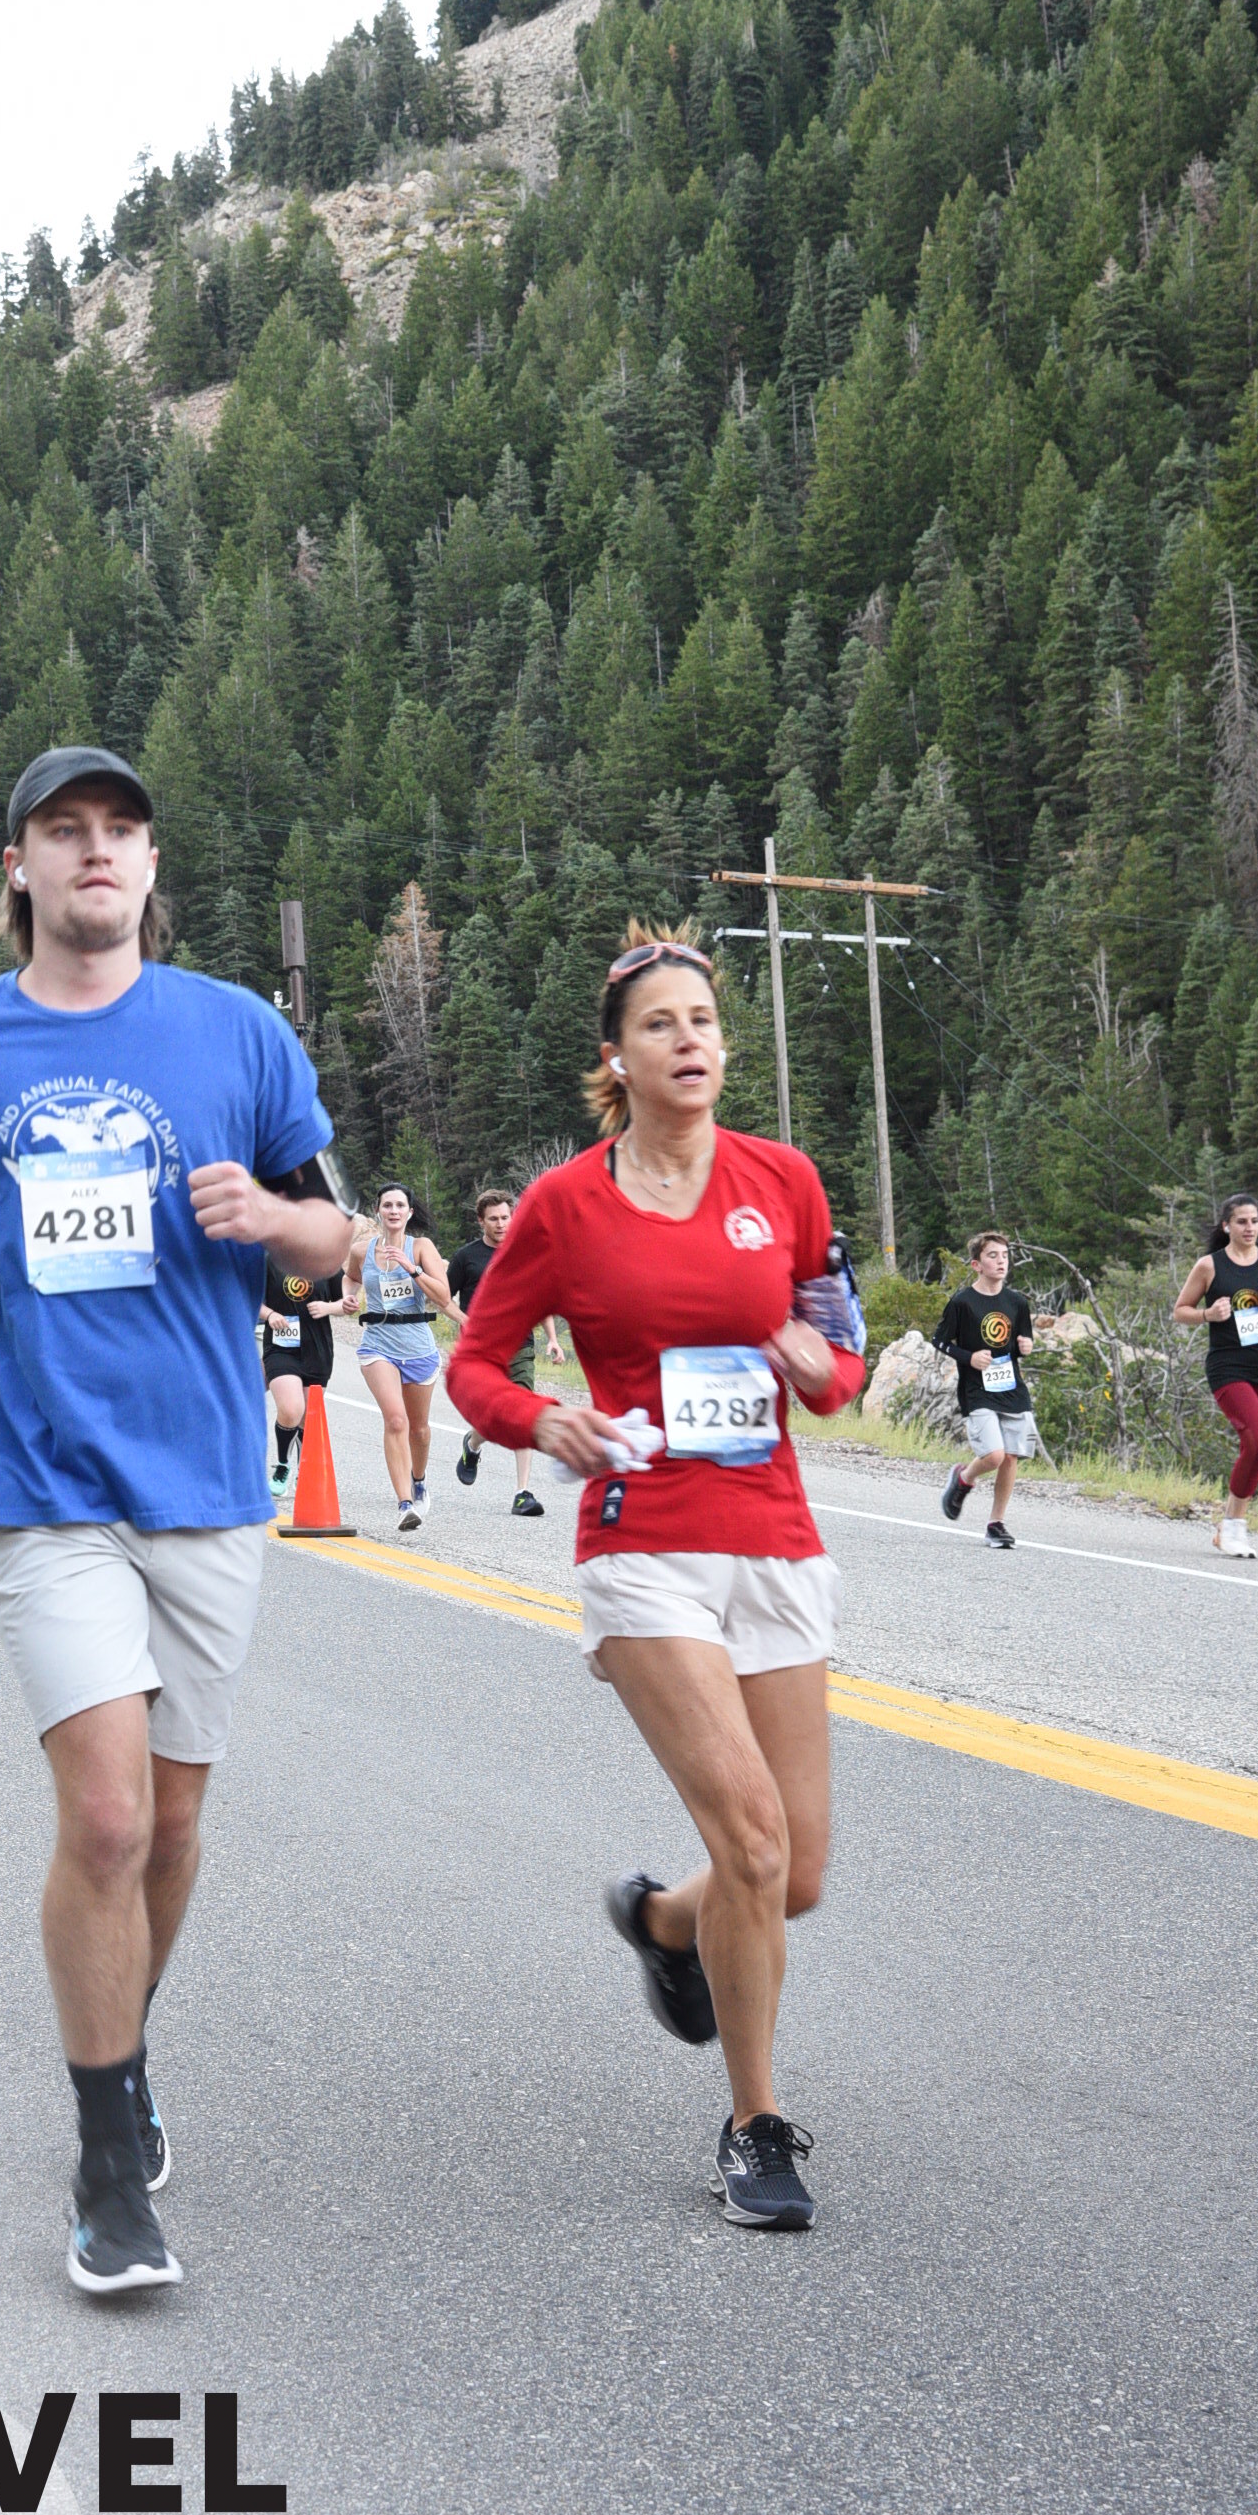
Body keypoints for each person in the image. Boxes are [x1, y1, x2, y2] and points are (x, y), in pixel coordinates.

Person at [0, 743, 352, 2297]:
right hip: (40, 1481)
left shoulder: (238, 1031)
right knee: (112, 1820)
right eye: (65, 831)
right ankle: (104, 2166)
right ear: (19, 865)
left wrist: (275, 1220)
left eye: (122, 831)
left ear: (150, 865)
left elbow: (334, 1237)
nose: (96, 853)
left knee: (176, 1826)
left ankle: (121, 2058)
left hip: (208, 1481)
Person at [450, 924, 868, 2233]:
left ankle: (670, 1926)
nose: (690, 1041)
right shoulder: (564, 1207)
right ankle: (755, 2125)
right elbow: (476, 1365)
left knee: (794, 1874)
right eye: (660, 1025)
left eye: (703, 1020)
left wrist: (826, 1370)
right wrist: (543, 1421)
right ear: (616, 1060)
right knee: (751, 1838)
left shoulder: (783, 1181)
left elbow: (842, 1353)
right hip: (643, 1545)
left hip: (774, 1535)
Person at [1173, 1194, 1258, 1556]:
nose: (1250, 1228)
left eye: (1255, 1221)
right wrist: (1207, 1315)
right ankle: (1235, 1528)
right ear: (1226, 1226)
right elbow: (1180, 1310)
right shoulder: (1209, 1266)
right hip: (1228, 1366)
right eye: (1242, 1222)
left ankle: (1228, 1526)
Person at [445, 1187, 566, 1517]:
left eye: (505, 1218)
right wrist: (466, 1321)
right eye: (493, 1219)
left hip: (520, 1346)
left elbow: (539, 1299)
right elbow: (443, 1297)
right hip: (482, 1352)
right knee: (495, 1418)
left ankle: (522, 1493)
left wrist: (552, 1339)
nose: (500, 1224)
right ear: (481, 1221)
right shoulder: (466, 1257)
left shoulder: (525, 1253)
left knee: (523, 1414)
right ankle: (472, 1444)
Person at [344, 1184, 451, 1530]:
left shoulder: (421, 1247)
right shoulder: (362, 1250)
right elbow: (350, 1278)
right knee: (395, 1421)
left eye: (399, 1205)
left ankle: (418, 1479)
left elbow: (443, 1296)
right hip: (377, 1344)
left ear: (409, 1212)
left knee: (419, 1430)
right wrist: (349, 1297)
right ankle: (405, 1504)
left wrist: (412, 1269)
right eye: (387, 1205)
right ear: (378, 1210)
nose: (393, 1211)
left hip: (418, 1347)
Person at [934, 1231, 1043, 1549]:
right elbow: (940, 1340)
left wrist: (1026, 1347)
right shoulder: (962, 1302)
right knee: (994, 1455)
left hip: (1011, 1388)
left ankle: (996, 1524)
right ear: (976, 1264)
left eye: (1004, 1255)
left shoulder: (1017, 1302)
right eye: (992, 1256)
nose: (1000, 1261)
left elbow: (1019, 1344)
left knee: (1011, 1456)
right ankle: (963, 1479)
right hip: (976, 1389)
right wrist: (969, 1357)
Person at [259, 1259, 342, 1498]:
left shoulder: (326, 1261)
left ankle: (304, 1472)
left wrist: (329, 1308)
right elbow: (250, 1300)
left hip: (317, 1350)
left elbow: (346, 1302)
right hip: (280, 1348)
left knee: (307, 1419)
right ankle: (282, 1466)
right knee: (291, 1409)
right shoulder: (269, 1260)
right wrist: (270, 1314)